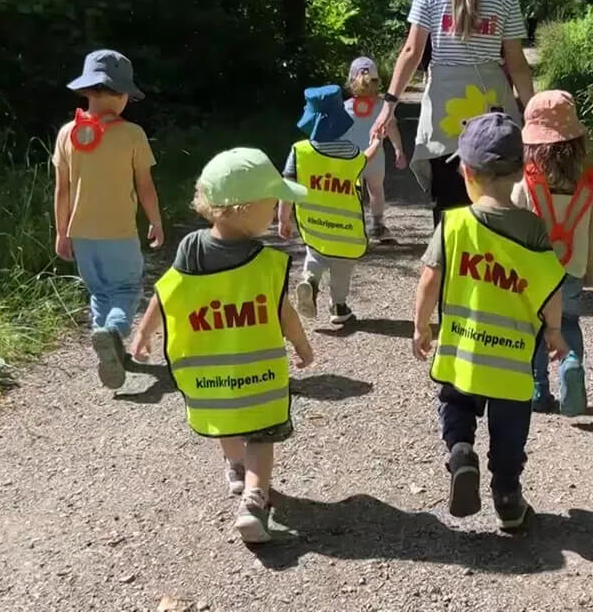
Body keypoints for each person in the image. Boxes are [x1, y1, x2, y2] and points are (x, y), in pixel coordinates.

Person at [127, 148, 315, 543]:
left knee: (225, 421)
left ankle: (234, 467)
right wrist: (301, 344)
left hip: (210, 376)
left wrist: (143, 333)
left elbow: (166, 294)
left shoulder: (190, 249)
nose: (277, 210)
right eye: (271, 203)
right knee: (262, 436)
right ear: (245, 210)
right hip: (258, 378)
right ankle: (253, 499)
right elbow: (283, 312)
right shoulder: (263, 261)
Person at [411, 112, 568, 532]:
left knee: (455, 402)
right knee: (510, 428)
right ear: (520, 171)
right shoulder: (533, 229)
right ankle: (508, 496)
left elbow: (429, 279)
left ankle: (461, 450)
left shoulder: (454, 224)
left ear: (465, 171)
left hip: (463, 351)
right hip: (513, 360)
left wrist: (420, 325)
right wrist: (553, 330)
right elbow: (550, 288)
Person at [372, 0, 535, 227]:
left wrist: (389, 104)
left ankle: (447, 272)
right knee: (496, 208)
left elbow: (411, 51)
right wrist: (533, 116)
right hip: (494, 112)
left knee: (448, 213)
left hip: (445, 111)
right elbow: (516, 64)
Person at [53, 49, 163, 390]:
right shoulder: (132, 134)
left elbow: (62, 190)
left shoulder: (68, 133)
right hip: (118, 232)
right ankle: (114, 333)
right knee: (127, 288)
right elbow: (145, 186)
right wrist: (156, 222)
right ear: (122, 95)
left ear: (87, 91)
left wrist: (61, 232)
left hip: (81, 234)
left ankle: (109, 346)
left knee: (100, 291)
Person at [513, 91, 593, 416]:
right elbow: (592, 230)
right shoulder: (591, 183)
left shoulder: (527, 182)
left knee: (536, 328)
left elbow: (516, 227)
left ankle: (539, 390)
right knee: (567, 322)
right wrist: (590, 264)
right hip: (573, 267)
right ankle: (571, 363)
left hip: (535, 272)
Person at [278, 85, 383, 325]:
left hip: (315, 225)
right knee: (342, 268)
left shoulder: (300, 151)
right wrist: (377, 141)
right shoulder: (350, 152)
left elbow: (287, 187)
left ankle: (310, 280)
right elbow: (366, 158)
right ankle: (338, 306)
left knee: (315, 255)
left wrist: (284, 219)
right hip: (346, 229)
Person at [342, 57, 407, 241]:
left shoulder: (344, 107)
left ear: (351, 81)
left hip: (352, 159)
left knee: (352, 193)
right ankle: (378, 226)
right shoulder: (383, 107)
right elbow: (392, 127)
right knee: (376, 191)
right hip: (376, 157)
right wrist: (398, 150)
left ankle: (352, 228)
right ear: (377, 82)